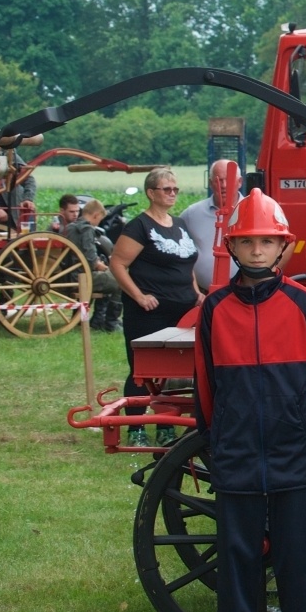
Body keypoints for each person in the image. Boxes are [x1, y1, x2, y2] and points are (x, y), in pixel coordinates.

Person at [193, 189, 306, 612]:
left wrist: (297, 423)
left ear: (282, 247)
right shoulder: (214, 309)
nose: (256, 250)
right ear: (232, 246)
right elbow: (205, 383)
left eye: (266, 242)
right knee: (237, 555)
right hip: (237, 449)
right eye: (247, 241)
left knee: (297, 554)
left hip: (293, 447)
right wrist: (220, 436)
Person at [108, 167, 203, 447]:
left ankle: (166, 425)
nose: (172, 194)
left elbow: (186, 263)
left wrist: (196, 292)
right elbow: (117, 263)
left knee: (174, 372)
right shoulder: (139, 226)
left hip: (184, 312)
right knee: (143, 370)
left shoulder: (179, 224)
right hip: (150, 313)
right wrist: (139, 296)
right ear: (151, 193)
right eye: (166, 189)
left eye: (175, 189)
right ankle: (135, 428)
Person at [64, 197, 123, 331]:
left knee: (108, 278)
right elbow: (91, 261)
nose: (98, 222)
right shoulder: (87, 229)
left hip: (69, 274)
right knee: (120, 280)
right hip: (80, 277)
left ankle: (96, 319)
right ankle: (111, 322)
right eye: (99, 219)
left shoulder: (70, 227)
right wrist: (105, 267)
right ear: (96, 215)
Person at [179, 159, 236, 292]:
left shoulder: (253, 210)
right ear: (210, 183)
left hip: (245, 294)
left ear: (239, 182)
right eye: (218, 180)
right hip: (202, 294)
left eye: (229, 180)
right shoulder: (191, 214)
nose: (224, 185)